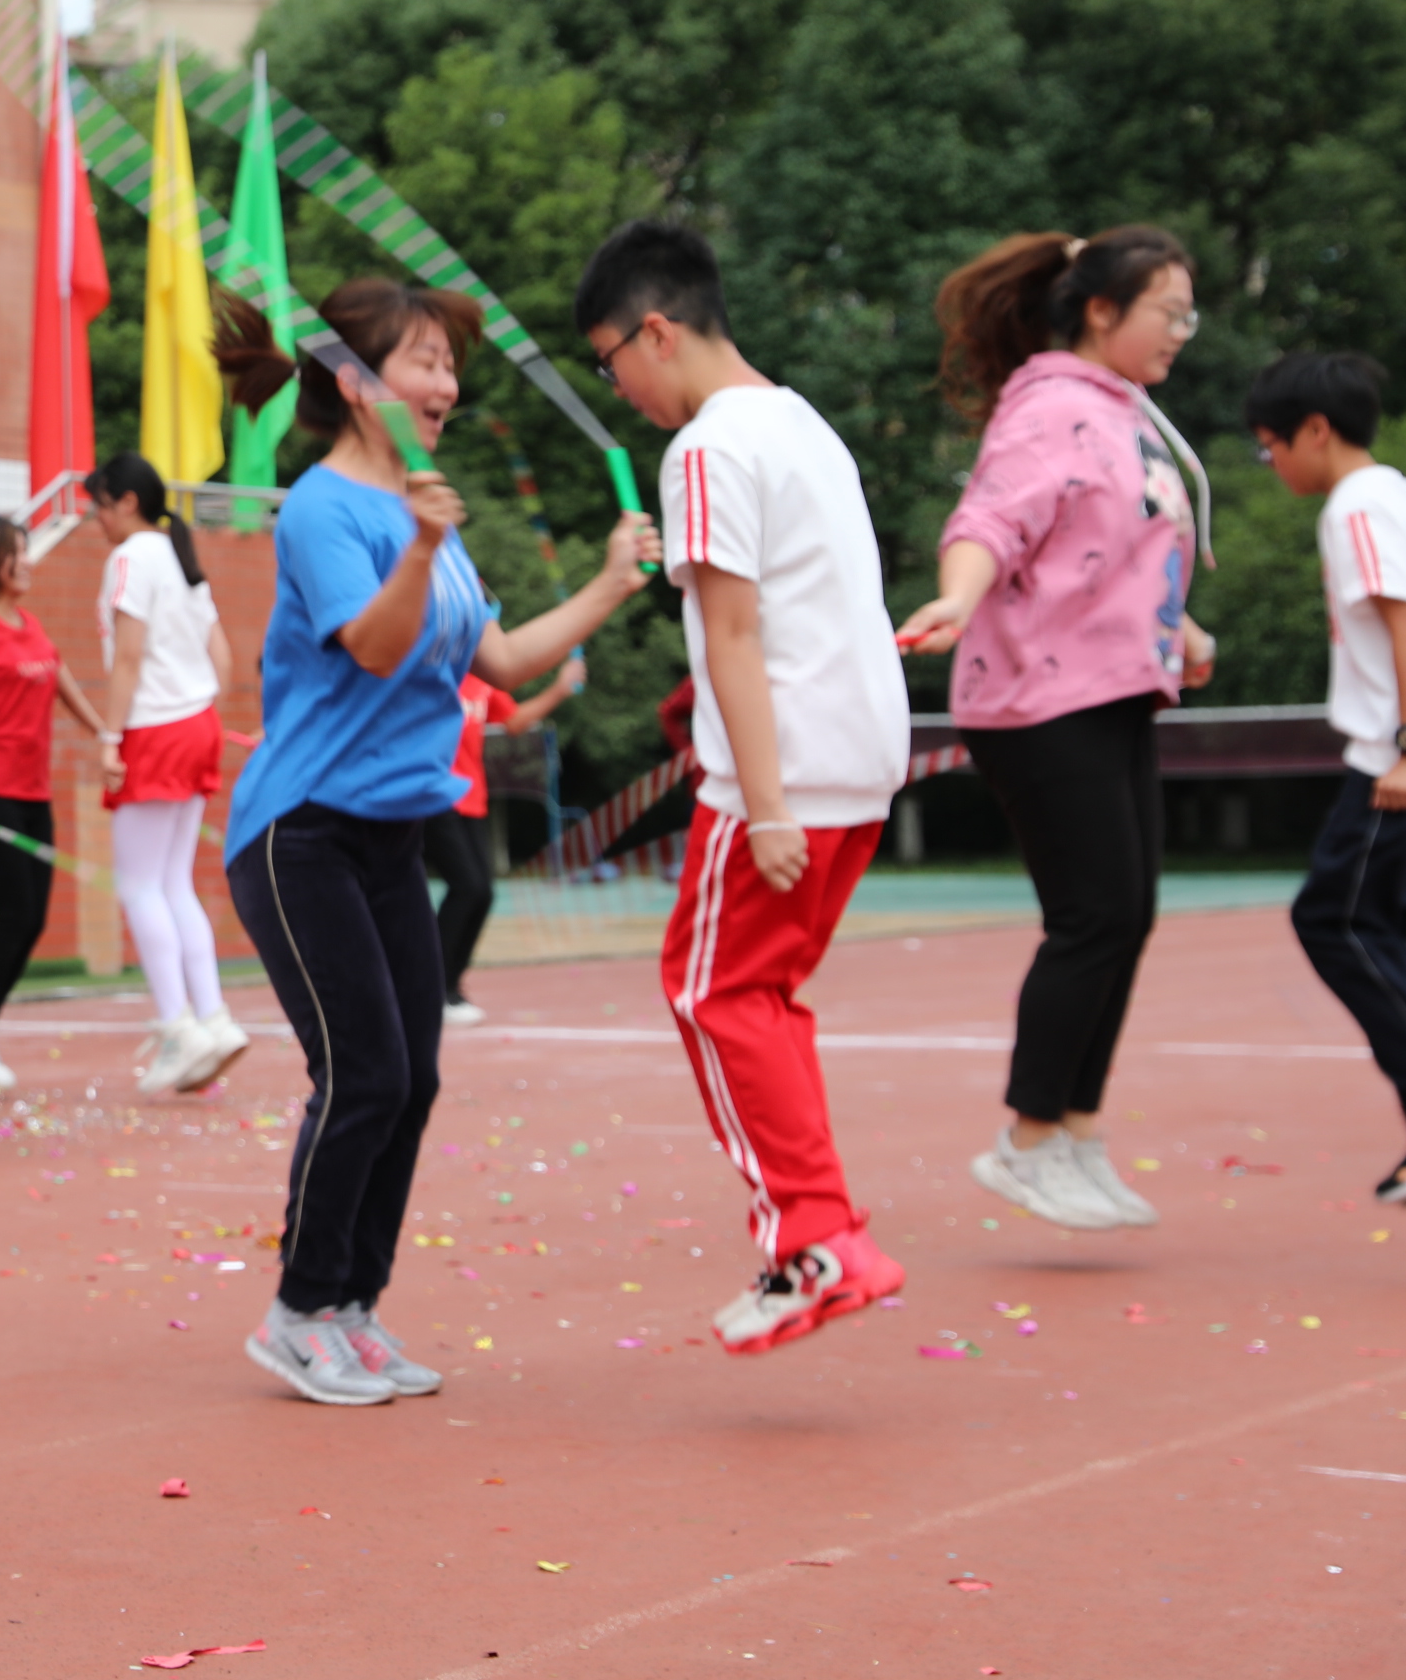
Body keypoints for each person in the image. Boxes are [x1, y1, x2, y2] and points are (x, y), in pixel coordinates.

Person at [216, 274, 655, 1404]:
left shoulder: (427, 509)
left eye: (451, 364)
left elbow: (500, 664)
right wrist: (416, 546)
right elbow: (369, 642)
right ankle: (298, 1308)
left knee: (411, 1077)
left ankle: (354, 1306)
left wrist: (611, 582)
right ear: (360, 385)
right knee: (360, 1071)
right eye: (423, 361)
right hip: (300, 831)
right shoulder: (324, 507)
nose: (446, 384)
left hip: (390, 834)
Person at [582, 221, 909, 1355]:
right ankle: (825, 1234)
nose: (615, 385)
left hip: (790, 773)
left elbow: (733, 628)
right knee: (762, 998)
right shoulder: (801, 422)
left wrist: (761, 799)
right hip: (860, 758)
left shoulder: (709, 450)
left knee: (712, 991)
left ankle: (813, 1241)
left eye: (609, 358)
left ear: (656, 330)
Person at [897, 228, 1211, 1236]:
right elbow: (991, 521)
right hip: (1040, 697)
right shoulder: (1052, 410)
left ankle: (1076, 1128)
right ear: (1104, 311)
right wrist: (955, 599)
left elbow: (1116, 550)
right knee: (1093, 915)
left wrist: (1181, 626)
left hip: (1115, 686)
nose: (1182, 331)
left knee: (1130, 913)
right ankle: (1026, 1141)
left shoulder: (1122, 413)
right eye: (1169, 310)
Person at [1246, 350, 1406, 1208]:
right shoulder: (1401, 497)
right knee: (1371, 924)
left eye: (1272, 448)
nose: (1274, 467)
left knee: (1334, 920)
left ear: (1315, 430)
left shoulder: (1358, 508)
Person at [84, 450, 244, 1097]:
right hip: (198, 723)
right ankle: (211, 1015)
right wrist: (202, 710)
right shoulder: (181, 558)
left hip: (153, 726)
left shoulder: (129, 559)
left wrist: (110, 735)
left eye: (98, 505)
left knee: (139, 885)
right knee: (174, 881)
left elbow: (127, 657)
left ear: (124, 502)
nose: (95, 520)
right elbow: (222, 655)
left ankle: (181, 1027)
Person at [0, 512, 113, 1092]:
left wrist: (104, 733)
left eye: (25, 551)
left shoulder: (28, 623)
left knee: (35, 919)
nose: (26, 562)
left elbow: (60, 677)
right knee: (15, 913)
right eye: (13, 553)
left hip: (34, 790)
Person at [435, 661, 580, 1025]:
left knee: (482, 893)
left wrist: (560, 689)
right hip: (432, 798)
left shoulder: (481, 683)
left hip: (472, 799)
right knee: (467, 887)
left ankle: (447, 986)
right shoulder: (428, 668)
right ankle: (433, 988)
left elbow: (514, 721)